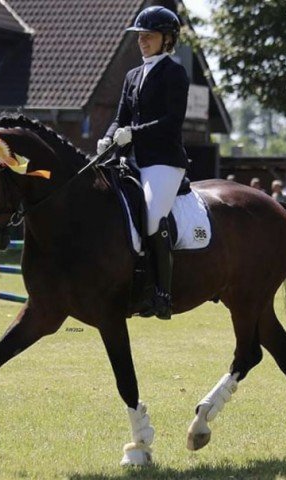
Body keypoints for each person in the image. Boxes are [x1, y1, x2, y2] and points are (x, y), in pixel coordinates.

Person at [96, 6, 188, 320]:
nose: (143, 41)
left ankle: (162, 293)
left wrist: (131, 133)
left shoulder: (174, 73)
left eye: (149, 36)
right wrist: (108, 137)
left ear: (167, 39)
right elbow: (119, 118)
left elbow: (172, 121)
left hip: (162, 162)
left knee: (151, 218)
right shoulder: (132, 75)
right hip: (128, 159)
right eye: (140, 36)